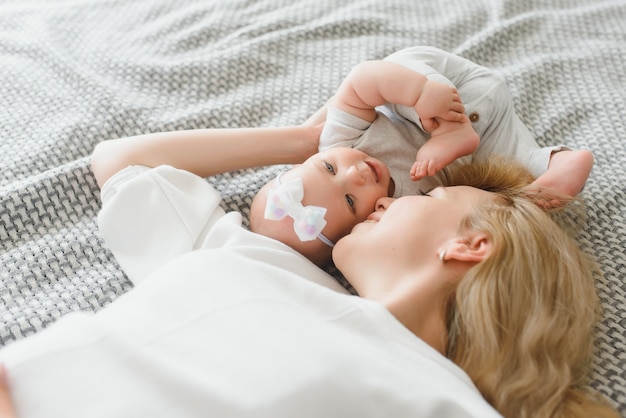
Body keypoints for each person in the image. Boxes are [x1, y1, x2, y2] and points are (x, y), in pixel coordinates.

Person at [0, 156, 617, 418]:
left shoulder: (444, 404)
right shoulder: (262, 263)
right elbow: (124, 162)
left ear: (470, 245)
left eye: (432, 197)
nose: (393, 197)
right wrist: (307, 137)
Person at [319, 45, 594, 200]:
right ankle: (560, 162)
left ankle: (449, 128)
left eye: (330, 168)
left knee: (391, 69)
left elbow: (360, 81)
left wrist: (420, 93)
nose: (353, 175)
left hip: (445, 88)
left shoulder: (335, 143)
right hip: (485, 133)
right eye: (349, 200)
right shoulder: (394, 209)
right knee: (513, 169)